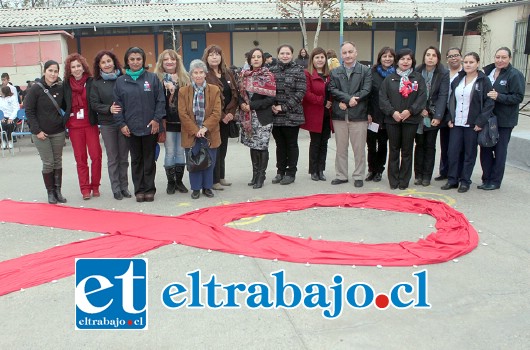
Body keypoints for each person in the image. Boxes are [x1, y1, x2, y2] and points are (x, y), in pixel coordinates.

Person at [113, 47, 165, 203]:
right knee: (136, 160)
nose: (135, 62)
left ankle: (149, 190)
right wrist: (121, 124)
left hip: (150, 127)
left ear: (143, 60)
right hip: (131, 129)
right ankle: (139, 190)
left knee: (149, 159)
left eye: (138, 59)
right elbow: (117, 106)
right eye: (132, 59)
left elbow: (160, 101)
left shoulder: (152, 78)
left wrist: (156, 120)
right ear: (127, 61)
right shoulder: (120, 81)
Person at [441, 52, 494, 193]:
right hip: (456, 122)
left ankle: (465, 181)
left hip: (472, 124)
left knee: (469, 154)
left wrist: (481, 121)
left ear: (477, 63)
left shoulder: (483, 80)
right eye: (466, 62)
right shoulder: (458, 79)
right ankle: (452, 179)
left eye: (471, 62)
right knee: (452, 152)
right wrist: (449, 118)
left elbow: (489, 102)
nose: (468, 65)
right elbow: (451, 100)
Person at [379, 48, 427, 190]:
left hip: (410, 120)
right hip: (392, 120)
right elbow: (383, 98)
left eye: (408, 59)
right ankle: (393, 181)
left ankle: (404, 181)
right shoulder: (389, 79)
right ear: (397, 61)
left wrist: (410, 111)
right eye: (402, 59)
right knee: (393, 150)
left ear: (412, 61)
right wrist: (392, 112)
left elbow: (422, 97)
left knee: (407, 151)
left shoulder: (418, 78)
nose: (405, 62)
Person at [479, 47, 525, 190]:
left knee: (499, 150)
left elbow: (518, 97)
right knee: (485, 148)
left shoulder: (514, 75)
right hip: (487, 118)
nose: (500, 60)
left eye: (503, 57)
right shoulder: (487, 71)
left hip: (504, 120)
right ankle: (486, 178)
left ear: (509, 59)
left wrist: (499, 97)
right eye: (497, 57)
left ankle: (495, 180)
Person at [328, 41, 372, 187]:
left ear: (356, 52)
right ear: (341, 55)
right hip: (340, 116)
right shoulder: (335, 72)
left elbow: (366, 90)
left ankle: (359, 175)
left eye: (350, 52)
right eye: (345, 53)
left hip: (358, 115)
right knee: (341, 148)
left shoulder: (365, 70)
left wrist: (352, 101)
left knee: (359, 148)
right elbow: (332, 89)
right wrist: (348, 100)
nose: (348, 55)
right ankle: (341, 175)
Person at [89, 50, 132, 201]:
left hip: (124, 123)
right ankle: (116, 188)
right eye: (103, 62)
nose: (107, 64)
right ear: (99, 65)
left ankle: (124, 187)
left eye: (109, 61)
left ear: (114, 62)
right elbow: (94, 104)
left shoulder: (124, 78)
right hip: (107, 124)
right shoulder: (97, 83)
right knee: (113, 157)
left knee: (124, 157)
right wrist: (108, 109)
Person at [24, 60, 67, 204]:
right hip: (41, 133)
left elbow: (67, 106)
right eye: (50, 71)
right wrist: (37, 131)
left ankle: (58, 191)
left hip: (58, 132)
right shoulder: (35, 89)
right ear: (44, 71)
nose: (53, 74)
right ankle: (50, 193)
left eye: (56, 71)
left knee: (58, 161)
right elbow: (29, 111)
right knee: (48, 163)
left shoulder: (60, 88)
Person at [178, 59, 222, 199]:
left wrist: (204, 128)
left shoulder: (214, 90)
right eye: (195, 73)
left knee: (210, 161)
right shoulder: (183, 91)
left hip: (209, 133)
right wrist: (195, 130)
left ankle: (207, 187)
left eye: (201, 72)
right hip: (191, 133)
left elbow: (217, 112)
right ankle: (196, 188)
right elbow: (183, 113)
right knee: (194, 161)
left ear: (205, 74)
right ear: (191, 75)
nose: (198, 75)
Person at [63, 53, 102, 200]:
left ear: (83, 67)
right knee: (80, 158)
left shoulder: (92, 81)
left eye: (78, 66)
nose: (76, 69)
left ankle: (96, 185)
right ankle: (85, 188)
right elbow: (62, 103)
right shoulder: (66, 84)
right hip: (74, 126)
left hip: (90, 123)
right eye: (73, 67)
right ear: (69, 69)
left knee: (96, 156)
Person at [237, 48, 276, 189]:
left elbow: (270, 98)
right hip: (248, 118)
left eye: (259, 57)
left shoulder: (268, 76)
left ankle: (261, 176)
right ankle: (255, 174)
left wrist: (251, 105)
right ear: (249, 60)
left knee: (262, 147)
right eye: (253, 57)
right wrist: (242, 104)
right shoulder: (244, 75)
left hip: (262, 117)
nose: (256, 59)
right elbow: (240, 94)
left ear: (263, 59)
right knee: (253, 146)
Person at [202, 45, 238, 190]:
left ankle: (221, 176)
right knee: (214, 148)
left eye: (217, 54)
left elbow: (235, 95)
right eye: (211, 55)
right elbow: (207, 99)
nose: (214, 57)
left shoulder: (227, 73)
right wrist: (222, 115)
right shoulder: (205, 74)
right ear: (206, 57)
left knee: (223, 148)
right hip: (213, 118)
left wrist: (230, 114)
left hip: (227, 117)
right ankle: (213, 179)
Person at [269, 44, 306, 185]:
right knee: (280, 144)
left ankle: (291, 173)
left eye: (288, 53)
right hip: (275, 114)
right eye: (282, 53)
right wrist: (272, 105)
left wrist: (283, 107)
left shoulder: (298, 70)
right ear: (278, 55)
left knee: (291, 144)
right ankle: (280, 171)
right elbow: (268, 90)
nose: (285, 56)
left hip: (292, 115)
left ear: (292, 55)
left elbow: (300, 92)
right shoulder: (271, 70)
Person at [154, 49, 190, 195]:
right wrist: (165, 87)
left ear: (177, 61)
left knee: (180, 152)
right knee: (169, 152)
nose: (169, 62)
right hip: (166, 121)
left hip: (182, 121)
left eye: (173, 59)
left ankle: (179, 181)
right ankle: (171, 182)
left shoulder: (185, 78)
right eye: (166, 59)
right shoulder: (156, 78)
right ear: (161, 62)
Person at [413, 46, 449, 187]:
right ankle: (418, 175)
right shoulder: (417, 71)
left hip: (433, 115)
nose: (430, 58)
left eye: (434, 55)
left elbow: (443, 95)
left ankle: (427, 176)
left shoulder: (443, 73)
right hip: (418, 114)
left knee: (430, 145)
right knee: (419, 144)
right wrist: (420, 109)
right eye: (428, 54)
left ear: (438, 58)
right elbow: (412, 93)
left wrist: (438, 115)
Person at [301, 47, 332, 181]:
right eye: (317, 57)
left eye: (322, 57)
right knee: (315, 142)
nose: (320, 60)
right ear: (312, 59)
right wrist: (323, 102)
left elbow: (334, 91)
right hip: (315, 113)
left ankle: (321, 169)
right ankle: (313, 170)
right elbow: (307, 94)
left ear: (326, 59)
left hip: (328, 114)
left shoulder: (330, 75)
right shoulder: (307, 74)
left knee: (324, 142)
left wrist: (330, 101)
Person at [366, 46, 395, 183]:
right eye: (385, 56)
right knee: (371, 145)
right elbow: (367, 94)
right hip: (374, 115)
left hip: (388, 117)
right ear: (380, 58)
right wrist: (368, 113)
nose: (387, 59)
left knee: (383, 145)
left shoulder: (397, 74)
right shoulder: (371, 73)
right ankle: (371, 170)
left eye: (390, 56)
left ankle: (379, 171)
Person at [435, 47, 463, 181]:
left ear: (461, 57)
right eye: (451, 56)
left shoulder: (465, 73)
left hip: (459, 114)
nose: (454, 58)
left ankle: (456, 173)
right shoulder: (444, 73)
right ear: (446, 59)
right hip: (444, 113)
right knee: (444, 144)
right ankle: (444, 171)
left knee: (456, 146)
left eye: (456, 55)